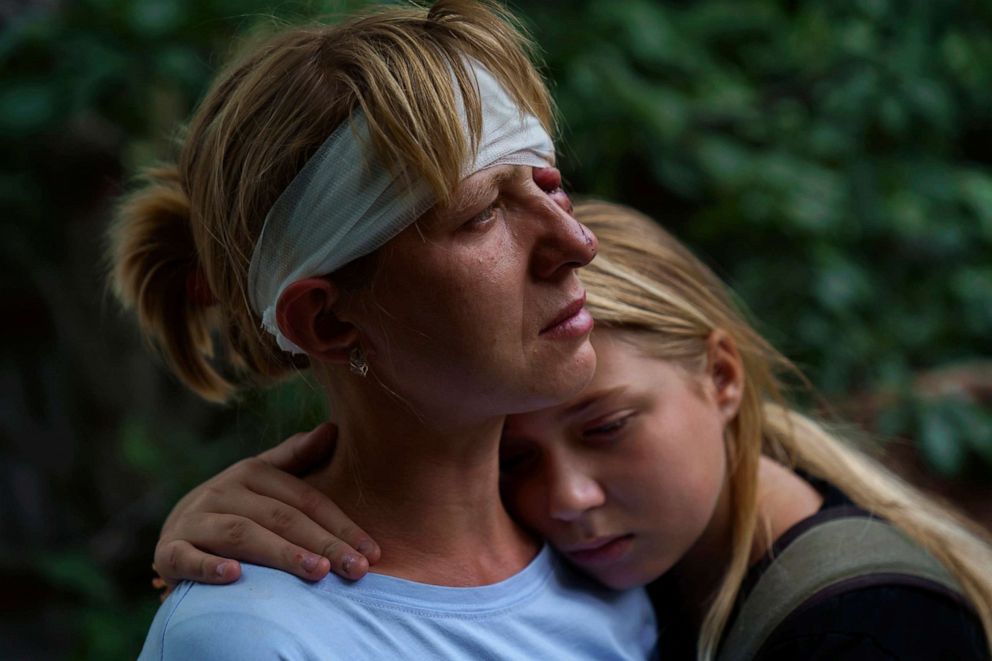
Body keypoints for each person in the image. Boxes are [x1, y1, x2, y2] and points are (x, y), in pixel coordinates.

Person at [155, 200, 992, 659]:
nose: (567, 497)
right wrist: (229, 515)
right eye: (512, 456)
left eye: (609, 425)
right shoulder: (628, 567)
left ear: (724, 376)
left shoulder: (874, 632)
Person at [110, 2, 658, 659]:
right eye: (483, 213)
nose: (576, 241)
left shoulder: (616, 543)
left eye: (547, 182)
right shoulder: (256, 638)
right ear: (328, 318)